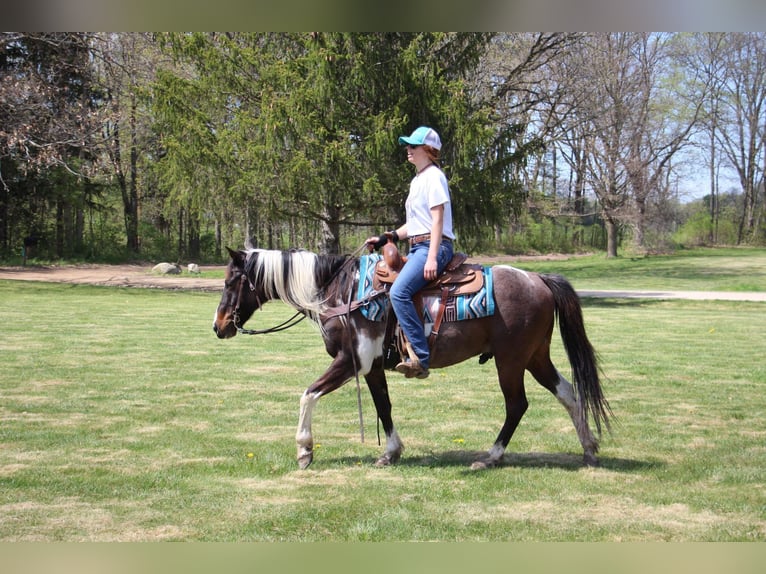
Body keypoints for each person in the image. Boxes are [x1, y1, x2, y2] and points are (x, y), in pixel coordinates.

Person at [366, 126, 455, 379]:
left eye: (413, 146)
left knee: (399, 292)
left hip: (434, 247)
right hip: (418, 244)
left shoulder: (434, 177)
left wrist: (431, 256)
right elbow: (415, 225)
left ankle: (421, 357)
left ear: (428, 150)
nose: (408, 150)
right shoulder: (417, 180)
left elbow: (437, 220)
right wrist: (389, 236)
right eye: (408, 146)